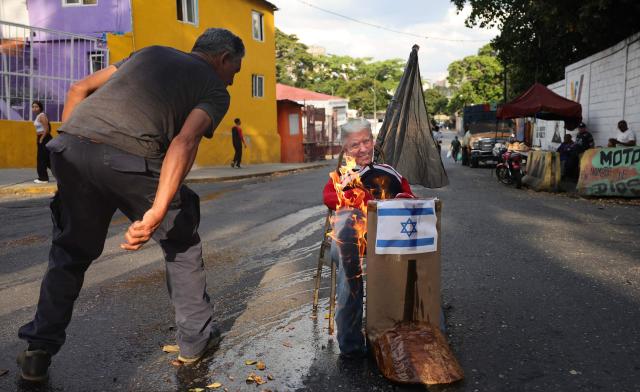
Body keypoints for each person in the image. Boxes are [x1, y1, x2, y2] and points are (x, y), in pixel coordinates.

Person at [16, 28, 244, 382]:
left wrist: (70, 152)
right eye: (235, 72)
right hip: (132, 158)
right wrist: (156, 213)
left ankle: (37, 350)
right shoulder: (213, 86)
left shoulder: (149, 51)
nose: (232, 81)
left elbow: (79, 89)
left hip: (70, 147)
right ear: (224, 58)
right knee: (180, 241)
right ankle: (194, 342)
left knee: (70, 252)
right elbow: (184, 142)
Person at [322, 118, 414, 358]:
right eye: (354, 145)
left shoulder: (390, 172)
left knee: (424, 241)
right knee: (347, 242)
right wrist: (364, 202)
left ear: (373, 141)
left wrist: (400, 199)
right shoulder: (341, 177)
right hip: (351, 243)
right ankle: (351, 345)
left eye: (366, 141)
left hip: (389, 240)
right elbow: (330, 198)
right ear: (345, 149)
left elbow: (410, 197)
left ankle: (421, 330)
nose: (362, 148)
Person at [32, 101, 52, 183]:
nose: (34, 108)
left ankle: (43, 178)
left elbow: (46, 129)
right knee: (47, 159)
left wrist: (41, 139)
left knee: (41, 159)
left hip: (44, 138)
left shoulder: (42, 116)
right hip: (41, 137)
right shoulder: (38, 116)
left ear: (40, 107)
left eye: (36, 106)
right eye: (33, 107)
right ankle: (61, 175)